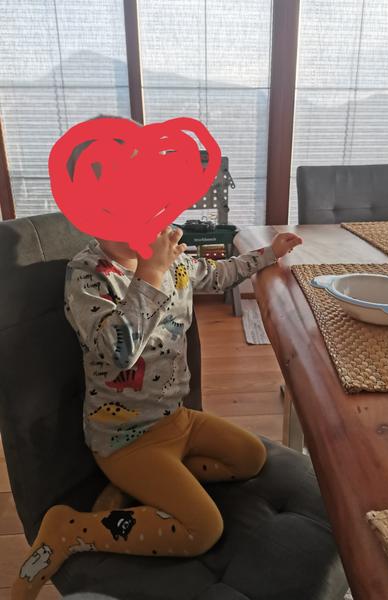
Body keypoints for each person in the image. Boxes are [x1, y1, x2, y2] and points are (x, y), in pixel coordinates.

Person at [12, 128, 302, 600]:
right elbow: (118, 352)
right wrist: (149, 275)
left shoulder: (172, 261)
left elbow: (215, 275)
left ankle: (146, 488)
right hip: (124, 438)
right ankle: (74, 530)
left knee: (251, 457)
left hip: (176, 419)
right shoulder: (88, 278)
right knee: (203, 527)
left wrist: (266, 255)